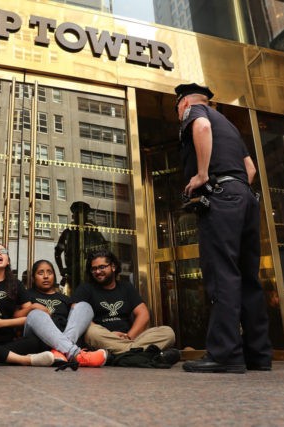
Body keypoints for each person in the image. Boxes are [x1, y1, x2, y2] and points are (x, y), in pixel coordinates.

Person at [174, 83, 272, 373]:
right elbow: (250, 169)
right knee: (248, 278)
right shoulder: (228, 124)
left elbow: (201, 127)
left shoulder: (196, 111)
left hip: (221, 197)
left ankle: (225, 354)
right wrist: (234, 191)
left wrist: (203, 174)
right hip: (244, 197)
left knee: (222, 273)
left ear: (183, 104)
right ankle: (258, 355)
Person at [72, 249, 179, 366]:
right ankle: (139, 354)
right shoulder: (85, 289)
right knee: (91, 331)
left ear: (113, 266)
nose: (97, 271)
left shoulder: (126, 287)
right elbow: (77, 314)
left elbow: (143, 314)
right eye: (94, 269)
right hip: (103, 338)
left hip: (130, 338)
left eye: (102, 267)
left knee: (168, 332)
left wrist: (129, 337)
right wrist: (111, 335)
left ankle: (121, 356)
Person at [24, 259, 107, 367]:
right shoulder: (28, 295)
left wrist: (106, 332)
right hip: (37, 336)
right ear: (33, 278)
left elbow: (77, 321)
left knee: (84, 306)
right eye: (40, 273)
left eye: (49, 272)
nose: (46, 276)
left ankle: (59, 352)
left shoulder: (64, 298)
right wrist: (32, 307)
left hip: (63, 334)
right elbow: (17, 315)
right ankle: (77, 354)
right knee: (36, 314)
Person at [55, 201, 108, 292]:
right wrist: (61, 270)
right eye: (77, 214)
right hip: (73, 274)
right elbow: (57, 253)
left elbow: (105, 248)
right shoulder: (67, 233)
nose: (80, 218)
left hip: (91, 274)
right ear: (73, 216)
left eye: (83, 215)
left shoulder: (93, 232)